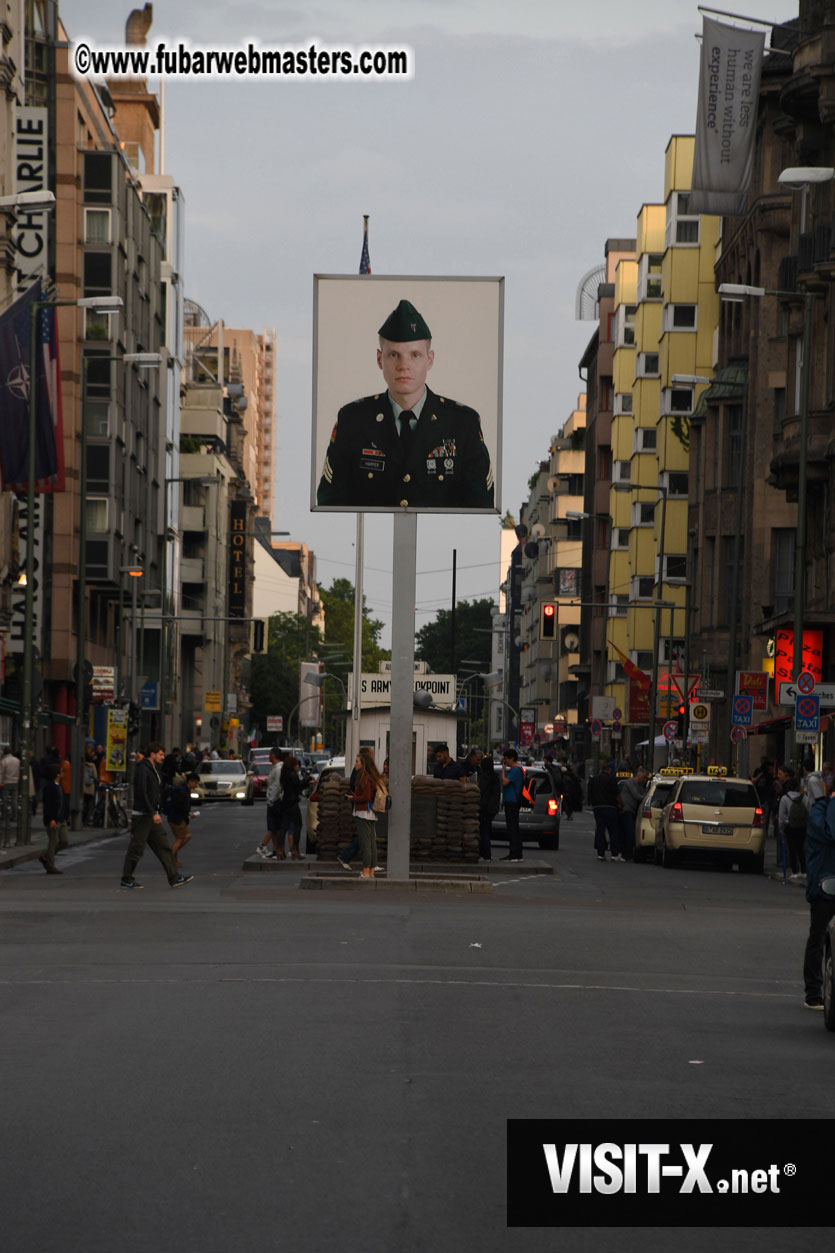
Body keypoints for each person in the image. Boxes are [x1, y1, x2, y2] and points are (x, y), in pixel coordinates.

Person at [316, 299, 494, 510]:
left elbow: (481, 505)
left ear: (430, 360)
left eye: (415, 355)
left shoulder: (462, 424)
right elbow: (331, 503)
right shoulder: (353, 421)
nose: (404, 366)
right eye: (394, 355)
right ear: (380, 359)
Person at [120, 742, 193, 890]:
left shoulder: (153, 769)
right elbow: (142, 793)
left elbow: (156, 793)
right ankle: (127, 878)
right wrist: (153, 812)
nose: (162, 757)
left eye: (162, 754)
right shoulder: (142, 769)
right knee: (137, 848)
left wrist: (158, 810)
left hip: (151, 816)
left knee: (163, 846)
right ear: (152, 754)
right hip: (142, 816)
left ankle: (174, 877)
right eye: (160, 754)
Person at [801, 774, 835, 1010]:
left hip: (825, 882)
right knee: (819, 938)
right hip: (824, 886)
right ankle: (813, 993)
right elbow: (830, 833)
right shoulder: (819, 810)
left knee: (820, 938)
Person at [347, 751, 386, 879]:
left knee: (365, 843)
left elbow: (366, 796)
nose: (355, 764)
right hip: (370, 813)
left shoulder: (364, 777)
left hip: (363, 812)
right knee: (371, 843)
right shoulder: (372, 776)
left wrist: (353, 797)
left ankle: (365, 871)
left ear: (363, 764)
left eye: (357, 762)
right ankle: (371, 871)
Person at [38, 764, 69, 875]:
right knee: (53, 842)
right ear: (57, 774)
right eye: (61, 771)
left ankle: (46, 856)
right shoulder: (49, 787)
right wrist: (51, 819)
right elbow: (49, 805)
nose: (63, 773)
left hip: (61, 819)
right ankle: (50, 866)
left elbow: (62, 802)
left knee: (65, 841)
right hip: (53, 820)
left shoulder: (59, 785)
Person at [164, 773, 199, 868]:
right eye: (195, 783)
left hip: (175, 817)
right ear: (190, 781)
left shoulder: (182, 790)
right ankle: (170, 859)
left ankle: (174, 859)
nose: (196, 785)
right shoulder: (183, 791)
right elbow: (180, 805)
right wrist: (188, 813)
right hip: (177, 818)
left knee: (180, 838)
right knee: (183, 837)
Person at [587, 764, 621, 861]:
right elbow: (616, 793)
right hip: (610, 807)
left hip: (598, 807)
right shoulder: (611, 779)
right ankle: (614, 854)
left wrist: (592, 802)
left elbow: (590, 793)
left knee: (600, 830)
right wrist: (622, 805)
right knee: (613, 831)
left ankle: (600, 854)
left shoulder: (594, 779)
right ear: (609, 770)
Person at [778, 773, 807, 882]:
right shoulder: (803, 797)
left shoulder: (785, 798)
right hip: (802, 826)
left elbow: (781, 815)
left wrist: (781, 829)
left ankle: (795, 871)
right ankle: (804, 871)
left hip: (790, 826)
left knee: (792, 849)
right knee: (801, 848)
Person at [256, 749, 284, 859]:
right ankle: (275, 850)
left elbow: (277, 786)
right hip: (273, 800)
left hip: (275, 801)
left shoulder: (278, 769)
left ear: (273, 756)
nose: (268, 756)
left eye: (270, 755)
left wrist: (272, 800)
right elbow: (273, 783)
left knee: (273, 827)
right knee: (274, 828)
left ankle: (262, 846)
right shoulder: (275, 768)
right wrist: (266, 782)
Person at [617, 767, 648, 862]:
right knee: (628, 832)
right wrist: (646, 798)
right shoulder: (630, 783)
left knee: (629, 832)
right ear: (639, 775)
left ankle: (627, 853)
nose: (644, 779)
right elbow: (636, 796)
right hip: (626, 810)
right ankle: (625, 854)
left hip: (632, 811)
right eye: (644, 777)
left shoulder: (640, 786)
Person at [277, 754, 305, 859]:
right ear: (293, 765)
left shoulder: (284, 774)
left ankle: (279, 850)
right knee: (298, 825)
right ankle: (295, 850)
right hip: (293, 803)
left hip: (285, 802)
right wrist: (307, 780)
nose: (298, 766)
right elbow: (298, 786)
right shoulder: (293, 774)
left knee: (283, 827)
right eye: (296, 764)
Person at [500, 748, 524, 862]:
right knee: (514, 828)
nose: (505, 762)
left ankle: (514, 854)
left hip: (512, 802)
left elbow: (504, 782)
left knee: (512, 828)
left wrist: (503, 770)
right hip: (513, 801)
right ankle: (517, 853)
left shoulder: (515, 770)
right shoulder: (517, 769)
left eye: (506, 759)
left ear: (512, 758)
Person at [477, 754, 501, 860]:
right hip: (492, 809)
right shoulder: (495, 777)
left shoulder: (483, 777)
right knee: (486, 830)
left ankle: (485, 853)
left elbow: (481, 793)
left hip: (484, 808)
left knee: (483, 831)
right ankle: (486, 853)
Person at [0, 745, 21, 848]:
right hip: (15, 781)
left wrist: (1, 782)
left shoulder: (4, 761)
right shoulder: (17, 760)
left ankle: (5, 814)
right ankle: (15, 815)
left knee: (5, 800)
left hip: (7, 782)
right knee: (14, 799)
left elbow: (1, 773)